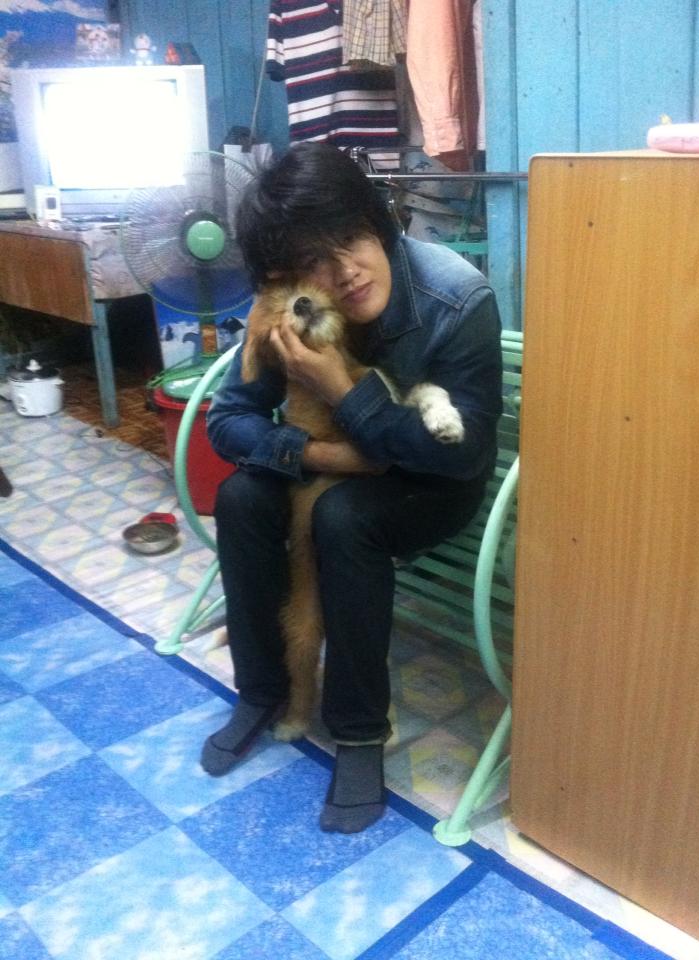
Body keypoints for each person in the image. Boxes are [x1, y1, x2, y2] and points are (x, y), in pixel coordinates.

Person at [201, 142, 503, 834]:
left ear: (381, 220)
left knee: (343, 517)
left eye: (352, 239)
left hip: (433, 485)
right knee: (243, 497)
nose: (342, 272)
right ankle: (262, 689)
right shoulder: (295, 306)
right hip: (336, 467)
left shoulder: (457, 298)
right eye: (314, 260)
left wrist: (340, 389)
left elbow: (461, 456)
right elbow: (229, 419)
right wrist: (322, 452)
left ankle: (360, 730)